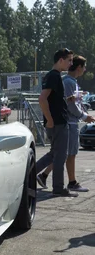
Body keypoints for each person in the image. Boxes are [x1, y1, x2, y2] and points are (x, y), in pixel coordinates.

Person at [37, 55, 95, 192]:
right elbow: (67, 106)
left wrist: (76, 99)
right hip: (66, 123)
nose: (85, 69)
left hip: (66, 122)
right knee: (66, 153)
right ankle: (68, 182)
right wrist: (84, 116)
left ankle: (44, 176)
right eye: (69, 60)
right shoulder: (65, 80)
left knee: (60, 153)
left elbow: (67, 101)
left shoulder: (68, 81)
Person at [35, 48, 75, 197]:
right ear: (61, 60)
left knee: (54, 154)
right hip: (57, 123)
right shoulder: (54, 76)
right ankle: (58, 188)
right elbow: (42, 99)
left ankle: (28, 174)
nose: (71, 63)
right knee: (60, 156)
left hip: (56, 122)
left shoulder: (53, 76)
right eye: (69, 60)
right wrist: (50, 120)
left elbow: (53, 100)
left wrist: (69, 99)